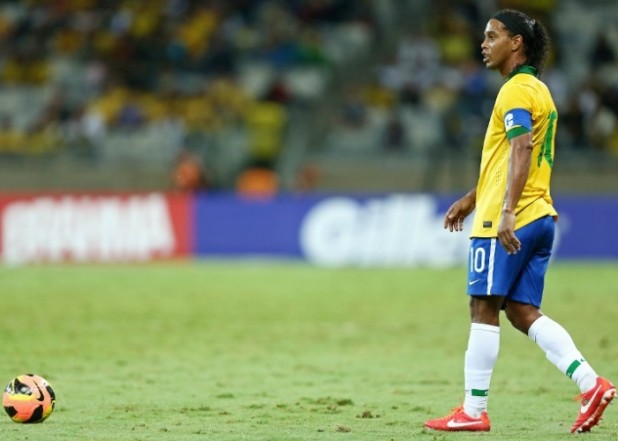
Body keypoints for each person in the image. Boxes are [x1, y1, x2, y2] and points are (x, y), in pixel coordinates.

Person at [424, 9, 615, 433]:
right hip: (540, 214)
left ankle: (473, 411)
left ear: (516, 43)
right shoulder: (539, 90)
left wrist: (506, 210)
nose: (483, 44)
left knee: (482, 306)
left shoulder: (513, 92)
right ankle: (591, 384)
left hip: (509, 219)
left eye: (492, 36)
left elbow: (522, 148)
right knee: (522, 311)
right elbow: (507, 159)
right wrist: (473, 197)